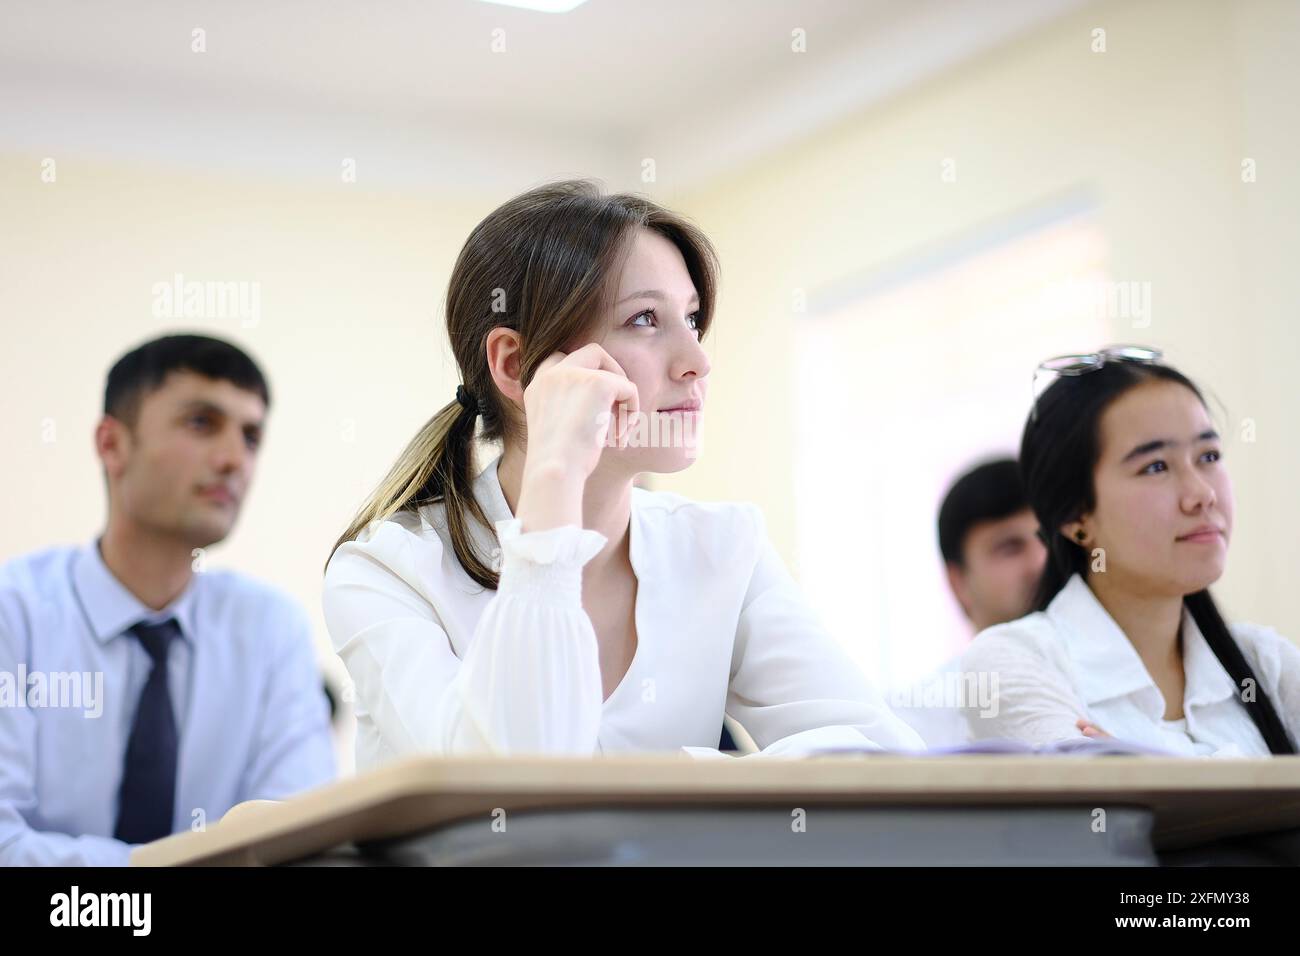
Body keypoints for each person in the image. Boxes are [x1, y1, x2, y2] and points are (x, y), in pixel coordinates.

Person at [322, 179, 923, 768]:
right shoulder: (386, 571)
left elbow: (878, 756)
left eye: (691, 319)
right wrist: (554, 478)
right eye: (643, 320)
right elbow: (513, 787)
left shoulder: (722, 547)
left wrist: (683, 777)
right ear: (514, 365)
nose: (697, 362)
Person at [0, 334, 336, 866]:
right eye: (202, 423)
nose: (233, 459)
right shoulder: (12, 613)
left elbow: (297, 841)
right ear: (112, 444)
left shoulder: (271, 630)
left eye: (251, 437)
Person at [958, 346, 1298, 755]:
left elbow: (1143, 796)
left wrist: (1146, 769)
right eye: (1155, 466)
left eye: (1208, 456)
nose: (1202, 494)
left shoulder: (1267, 664)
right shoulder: (1014, 662)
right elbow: (1095, 804)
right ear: (1075, 516)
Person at [892, 458, 1045, 746]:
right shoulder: (911, 727)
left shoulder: (1133, 695)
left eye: (1048, 540)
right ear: (958, 581)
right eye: (1010, 548)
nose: (1040, 563)